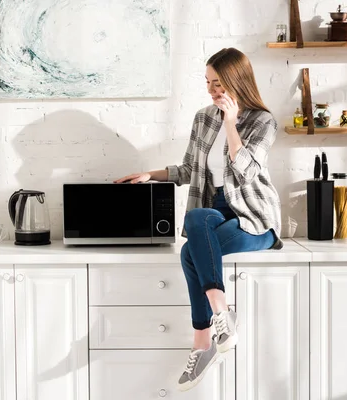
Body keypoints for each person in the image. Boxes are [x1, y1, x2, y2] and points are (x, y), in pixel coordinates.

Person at [114, 47, 283, 391]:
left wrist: (232, 124)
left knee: (189, 252)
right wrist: (152, 175)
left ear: (236, 81)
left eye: (218, 83)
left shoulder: (263, 121)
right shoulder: (204, 117)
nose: (211, 91)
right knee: (198, 218)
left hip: (253, 216)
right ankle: (222, 314)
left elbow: (247, 172)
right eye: (207, 83)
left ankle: (202, 342)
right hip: (214, 213)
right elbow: (190, 169)